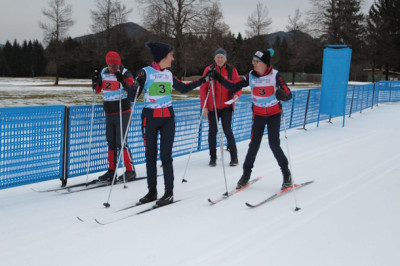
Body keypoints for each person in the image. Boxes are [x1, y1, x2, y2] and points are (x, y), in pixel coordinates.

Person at [128, 40, 210, 206]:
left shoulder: (168, 74)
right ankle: (152, 191)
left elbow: (183, 88)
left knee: (166, 156)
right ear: (162, 57)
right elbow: (131, 98)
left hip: (168, 119)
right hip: (149, 118)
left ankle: (169, 192)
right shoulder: (145, 73)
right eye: (171, 55)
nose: (173, 58)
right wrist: (134, 86)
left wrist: (204, 80)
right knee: (150, 156)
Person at [208, 49, 293, 190]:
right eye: (253, 61)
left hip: (273, 115)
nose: (253, 64)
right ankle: (246, 175)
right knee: (253, 145)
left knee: (274, 144)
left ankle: (286, 174)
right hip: (258, 115)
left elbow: (289, 94)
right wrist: (219, 78)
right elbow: (234, 85)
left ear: (264, 63)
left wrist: (283, 95)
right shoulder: (251, 76)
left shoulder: (275, 75)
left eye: (256, 61)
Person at [92, 51, 136, 182]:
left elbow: (132, 92)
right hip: (109, 111)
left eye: (115, 66)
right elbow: (98, 89)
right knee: (110, 141)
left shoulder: (125, 72)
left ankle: (130, 170)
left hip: (123, 110)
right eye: (111, 66)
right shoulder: (103, 72)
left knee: (121, 141)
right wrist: (94, 82)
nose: (113, 69)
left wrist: (122, 81)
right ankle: (112, 170)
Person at [200, 48, 242, 167]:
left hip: (226, 106)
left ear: (225, 59)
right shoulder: (208, 69)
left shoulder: (231, 70)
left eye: (222, 57)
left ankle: (234, 157)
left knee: (227, 131)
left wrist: (236, 95)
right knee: (212, 132)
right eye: (217, 57)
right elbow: (203, 89)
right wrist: (204, 106)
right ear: (214, 58)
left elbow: (237, 85)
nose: (219, 59)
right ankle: (213, 157)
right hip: (212, 107)